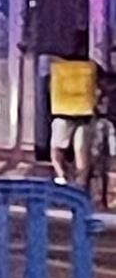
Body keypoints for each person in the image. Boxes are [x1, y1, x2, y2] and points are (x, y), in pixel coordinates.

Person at [50, 43, 102, 186]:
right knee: (81, 151)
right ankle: (81, 182)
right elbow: (101, 86)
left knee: (56, 149)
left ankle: (62, 177)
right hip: (84, 114)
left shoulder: (58, 68)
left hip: (62, 113)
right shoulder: (91, 68)